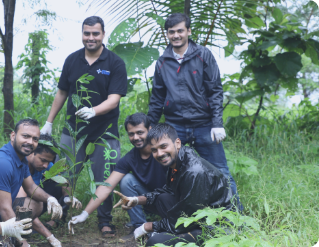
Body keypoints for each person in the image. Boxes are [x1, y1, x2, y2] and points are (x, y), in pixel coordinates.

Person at [39, 16, 128, 238]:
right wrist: (49, 122)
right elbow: (62, 92)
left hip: (105, 133)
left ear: (103, 34)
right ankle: (59, 214)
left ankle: (105, 220)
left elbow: (114, 99)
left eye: (95, 33)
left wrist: (94, 110)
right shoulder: (72, 60)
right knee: (66, 174)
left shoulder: (115, 63)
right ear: (82, 34)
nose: (91, 38)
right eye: (86, 33)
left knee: (104, 177)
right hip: (73, 131)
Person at [147, 13, 242, 210]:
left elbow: (215, 90)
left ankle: (236, 216)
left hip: (204, 125)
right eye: (171, 32)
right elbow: (157, 98)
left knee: (220, 171)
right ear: (167, 34)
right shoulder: (162, 62)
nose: (176, 35)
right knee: (170, 171)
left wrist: (217, 123)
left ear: (188, 31)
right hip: (175, 125)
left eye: (180, 31)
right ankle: (174, 215)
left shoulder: (203, 55)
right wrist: (151, 127)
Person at [114, 123, 233, 246]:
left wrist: (148, 226)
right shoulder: (177, 162)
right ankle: (174, 234)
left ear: (177, 143)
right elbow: (168, 191)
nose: (159, 154)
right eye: (154, 150)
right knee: (162, 198)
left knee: (154, 242)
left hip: (215, 227)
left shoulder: (194, 172)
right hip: (196, 217)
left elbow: (187, 217)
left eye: (164, 146)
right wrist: (135, 200)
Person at [67, 113, 168, 241]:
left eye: (140, 132)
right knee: (126, 180)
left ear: (150, 130)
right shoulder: (129, 158)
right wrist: (84, 214)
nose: (136, 137)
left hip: (171, 201)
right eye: (131, 134)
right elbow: (106, 187)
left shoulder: (163, 152)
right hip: (148, 200)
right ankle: (139, 227)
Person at [0, 119, 64, 247]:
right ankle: (5, 238)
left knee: (35, 204)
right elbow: (5, 209)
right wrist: (24, 243)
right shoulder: (3, 163)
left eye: (35, 139)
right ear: (13, 136)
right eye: (25, 136)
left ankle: (8, 237)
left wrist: (50, 199)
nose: (30, 142)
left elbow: (31, 187)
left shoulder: (20, 159)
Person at [16, 134, 82, 230]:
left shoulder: (47, 165)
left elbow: (63, 181)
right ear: (31, 152)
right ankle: (25, 225)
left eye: (48, 162)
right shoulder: (18, 166)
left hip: (33, 201)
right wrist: (47, 235)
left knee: (57, 185)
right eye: (43, 160)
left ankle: (51, 220)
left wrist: (68, 197)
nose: (45, 165)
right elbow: (20, 203)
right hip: (16, 204)